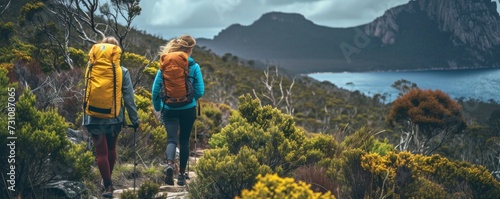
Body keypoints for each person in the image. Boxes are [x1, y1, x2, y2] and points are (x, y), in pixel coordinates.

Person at [82, 36, 140, 198]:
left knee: (101, 152)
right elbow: (129, 98)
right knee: (111, 149)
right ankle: (108, 184)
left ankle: (107, 184)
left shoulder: (91, 67)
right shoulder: (122, 71)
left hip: (92, 117)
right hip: (114, 118)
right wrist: (134, 120)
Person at [151, 35, 204, 186]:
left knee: (171, 139)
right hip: (188, 108)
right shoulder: (194, 66)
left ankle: (169, 165)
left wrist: (158, 106)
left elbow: (155, 90)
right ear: (189, 49)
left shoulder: (165, 64)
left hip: (169, 108)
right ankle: (181, 175)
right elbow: (200, 90)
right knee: (184, 140)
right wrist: (191, 99)